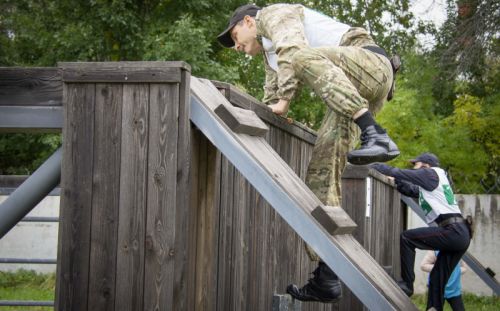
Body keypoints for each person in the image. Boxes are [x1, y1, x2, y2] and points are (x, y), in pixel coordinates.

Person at [217, 3, 399, 302]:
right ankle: (327, 273)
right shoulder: (271, 55)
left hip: (371, 65)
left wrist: (284, 102)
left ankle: (374, 133)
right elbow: (272, 93)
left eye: (236, 35)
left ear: (250, 21)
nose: (236, 46)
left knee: (300, 57)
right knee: (322, 168)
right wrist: (270, 110)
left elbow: (294, 52)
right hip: (359, 88)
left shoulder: (274, 15)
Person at [371, 152, 471, 311]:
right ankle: (433, 308)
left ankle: (407, 285)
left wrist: (373, 165)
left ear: (426, 166)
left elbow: (398, 172)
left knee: (407, 238)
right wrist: (396, 182)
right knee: (438, 277)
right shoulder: (434, 183)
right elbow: (411, 190)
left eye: (415, 165)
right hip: (460, 234)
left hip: (453, 230)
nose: (414, 169)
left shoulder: (431, 174)